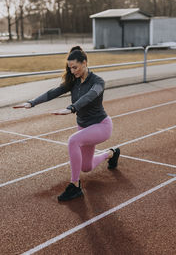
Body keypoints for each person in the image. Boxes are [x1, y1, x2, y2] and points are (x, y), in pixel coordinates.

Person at [13, 46, 120, 201]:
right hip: (84, 126)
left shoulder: (98, 82)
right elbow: (53, 92)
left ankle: (75, 186)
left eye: (75, 67)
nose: (72, 71)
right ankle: (111, 153)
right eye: (70, 68)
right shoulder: (73, 81)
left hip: (101, 126)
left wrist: (72, 108)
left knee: (73, 141)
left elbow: (90, 96)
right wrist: (32, 103)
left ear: (84, 63)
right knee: (86, 167)